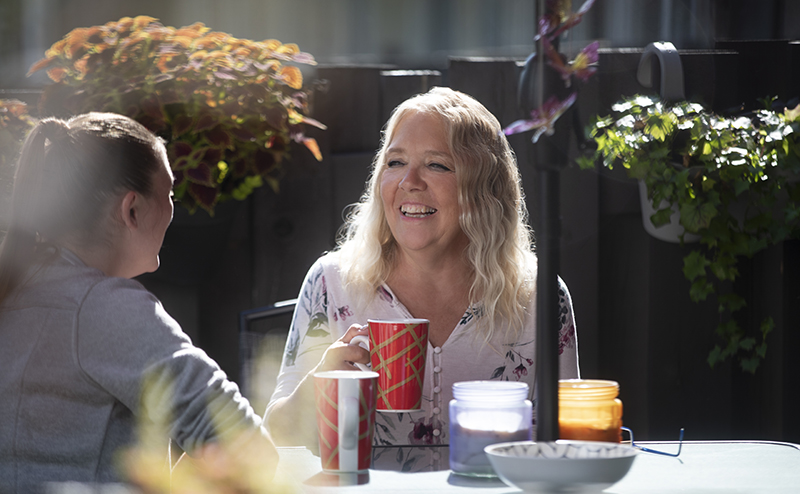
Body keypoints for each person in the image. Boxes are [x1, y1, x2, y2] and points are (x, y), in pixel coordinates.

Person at [264, 87, 579, 464]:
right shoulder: (331, 283)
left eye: (437, 165)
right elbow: (272, 440)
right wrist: (319, 382)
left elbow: (565, 446)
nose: (409, 181)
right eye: (395, 162)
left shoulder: (539, 296)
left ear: (482, 190)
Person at [0, 113, 277, 492]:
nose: (172, 209)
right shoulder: (103, 310)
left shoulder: (15, 287)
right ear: (132, 210)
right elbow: (245, 446)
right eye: (169, 196)